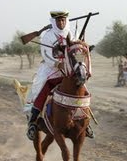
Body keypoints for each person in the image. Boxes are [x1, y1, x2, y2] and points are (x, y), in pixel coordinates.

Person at [24, 10, 94, 140]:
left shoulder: (71, 33)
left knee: (83, 87)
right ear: (54, 22)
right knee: (42, 86)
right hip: (51, 68)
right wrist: (57, 64)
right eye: (58, 20)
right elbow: (46, 55)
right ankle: (33, 121)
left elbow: (76, 50)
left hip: (69, 67)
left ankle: (86, 122)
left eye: (63, 20)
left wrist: (80, 52)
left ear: (65, 21)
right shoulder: (47, 36)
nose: (61, 22)